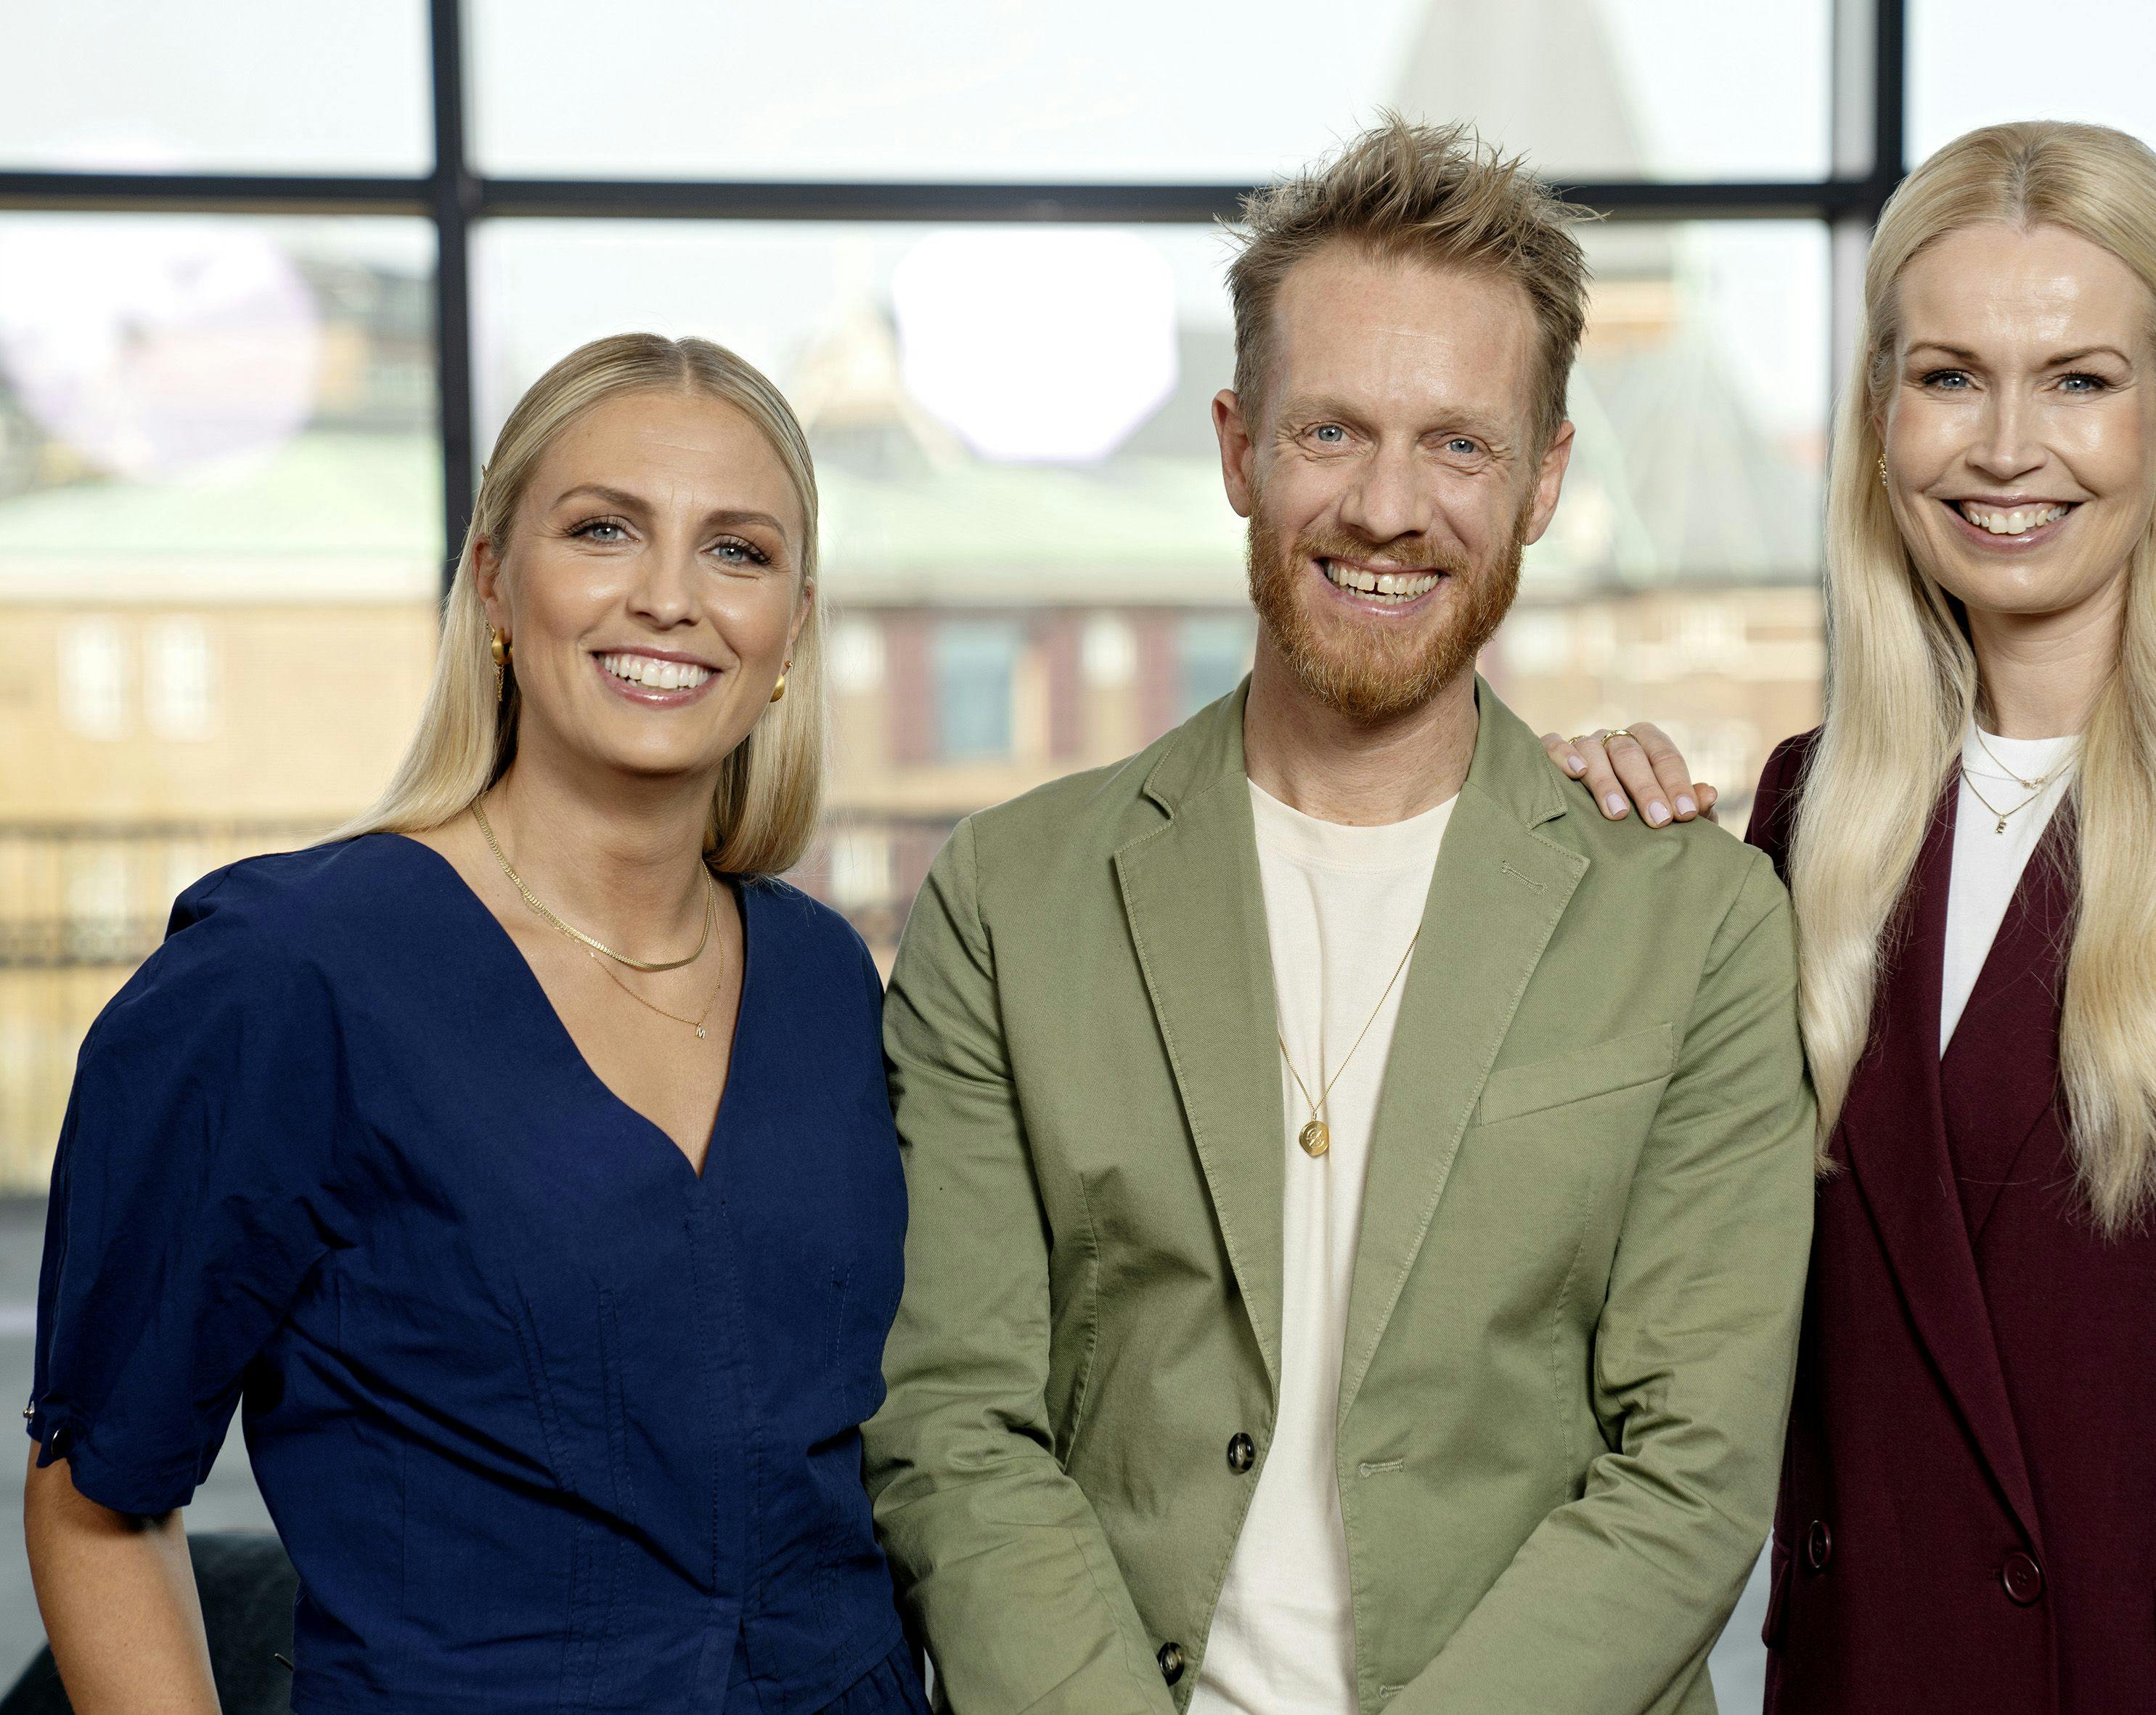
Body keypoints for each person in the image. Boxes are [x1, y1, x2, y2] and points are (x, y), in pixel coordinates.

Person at [1564, 119, 2156, 1713]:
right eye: (1946, 376)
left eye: (2076, 379)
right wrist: (1580, 858)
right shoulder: (1811, 804)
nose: (2003, 446)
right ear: (1879, 413)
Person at [861, 119, 1817, 1715]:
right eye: (1331, 431)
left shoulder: (1696, 919)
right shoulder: (1006, 899)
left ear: (1544, 481)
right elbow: (954, 1424)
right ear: (1239, 448)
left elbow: (1691, 1472)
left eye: (1458, 444)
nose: (1388, 506)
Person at [24, 333, 928, 1715]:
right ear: (498, 583)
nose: (671, 598)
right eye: (604, 529)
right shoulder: (284, 976)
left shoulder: (820, 979)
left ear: (792, 628)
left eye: (738, 552)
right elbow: (96, 1509)